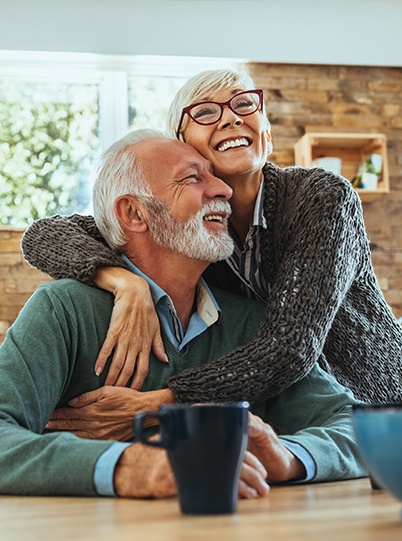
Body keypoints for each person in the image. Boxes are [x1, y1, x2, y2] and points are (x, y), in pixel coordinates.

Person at [1, 130, 365, 498]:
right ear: (134, 213)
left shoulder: (251, 322)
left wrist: (288, 457)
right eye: (193, 177)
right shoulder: (63, 311)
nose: (223, 190)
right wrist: (128, 466)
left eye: (215, 176)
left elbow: (358, 426)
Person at [21, 68, 402, 407]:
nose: (232, 118)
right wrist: (124, 282)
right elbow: (45, 234)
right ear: (182, 145)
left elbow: (290, 347)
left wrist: (163, 402)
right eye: (205, 112)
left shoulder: (321, 197)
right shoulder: (190, 230)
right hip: (283, 410)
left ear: (266, 133)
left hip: (372, 404)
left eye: (244, 105)